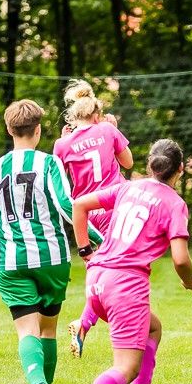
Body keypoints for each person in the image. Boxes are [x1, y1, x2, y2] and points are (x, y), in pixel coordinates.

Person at [61, 139, 192, 384]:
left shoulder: (128, 187)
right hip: (124, 287)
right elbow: (180, 259)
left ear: (149, 164)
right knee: (126, 366)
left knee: (153, 327)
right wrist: (190, 282)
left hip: (97, 279)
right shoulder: (174, 203)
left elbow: (80, 204)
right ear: (180, 169)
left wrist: (85, 250)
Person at [0, 99, 88, 384]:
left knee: (26, 331)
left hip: (13, 260)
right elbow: (66, 205)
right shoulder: (49, 163)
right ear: (39, 130)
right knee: (48, 331)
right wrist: (96, 238)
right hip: (51, 258)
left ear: (9, 129)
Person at [53, 79, 134, 358]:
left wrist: (66, 142)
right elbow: (128, 163)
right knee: (122, 270)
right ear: (96, 114)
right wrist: (114, 129)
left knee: (101, 270)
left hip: (85, 215)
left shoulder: (61, 144)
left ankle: (85, 325)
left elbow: (60, 182)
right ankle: (94, 324)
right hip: (113, 207)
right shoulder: (108, 130)